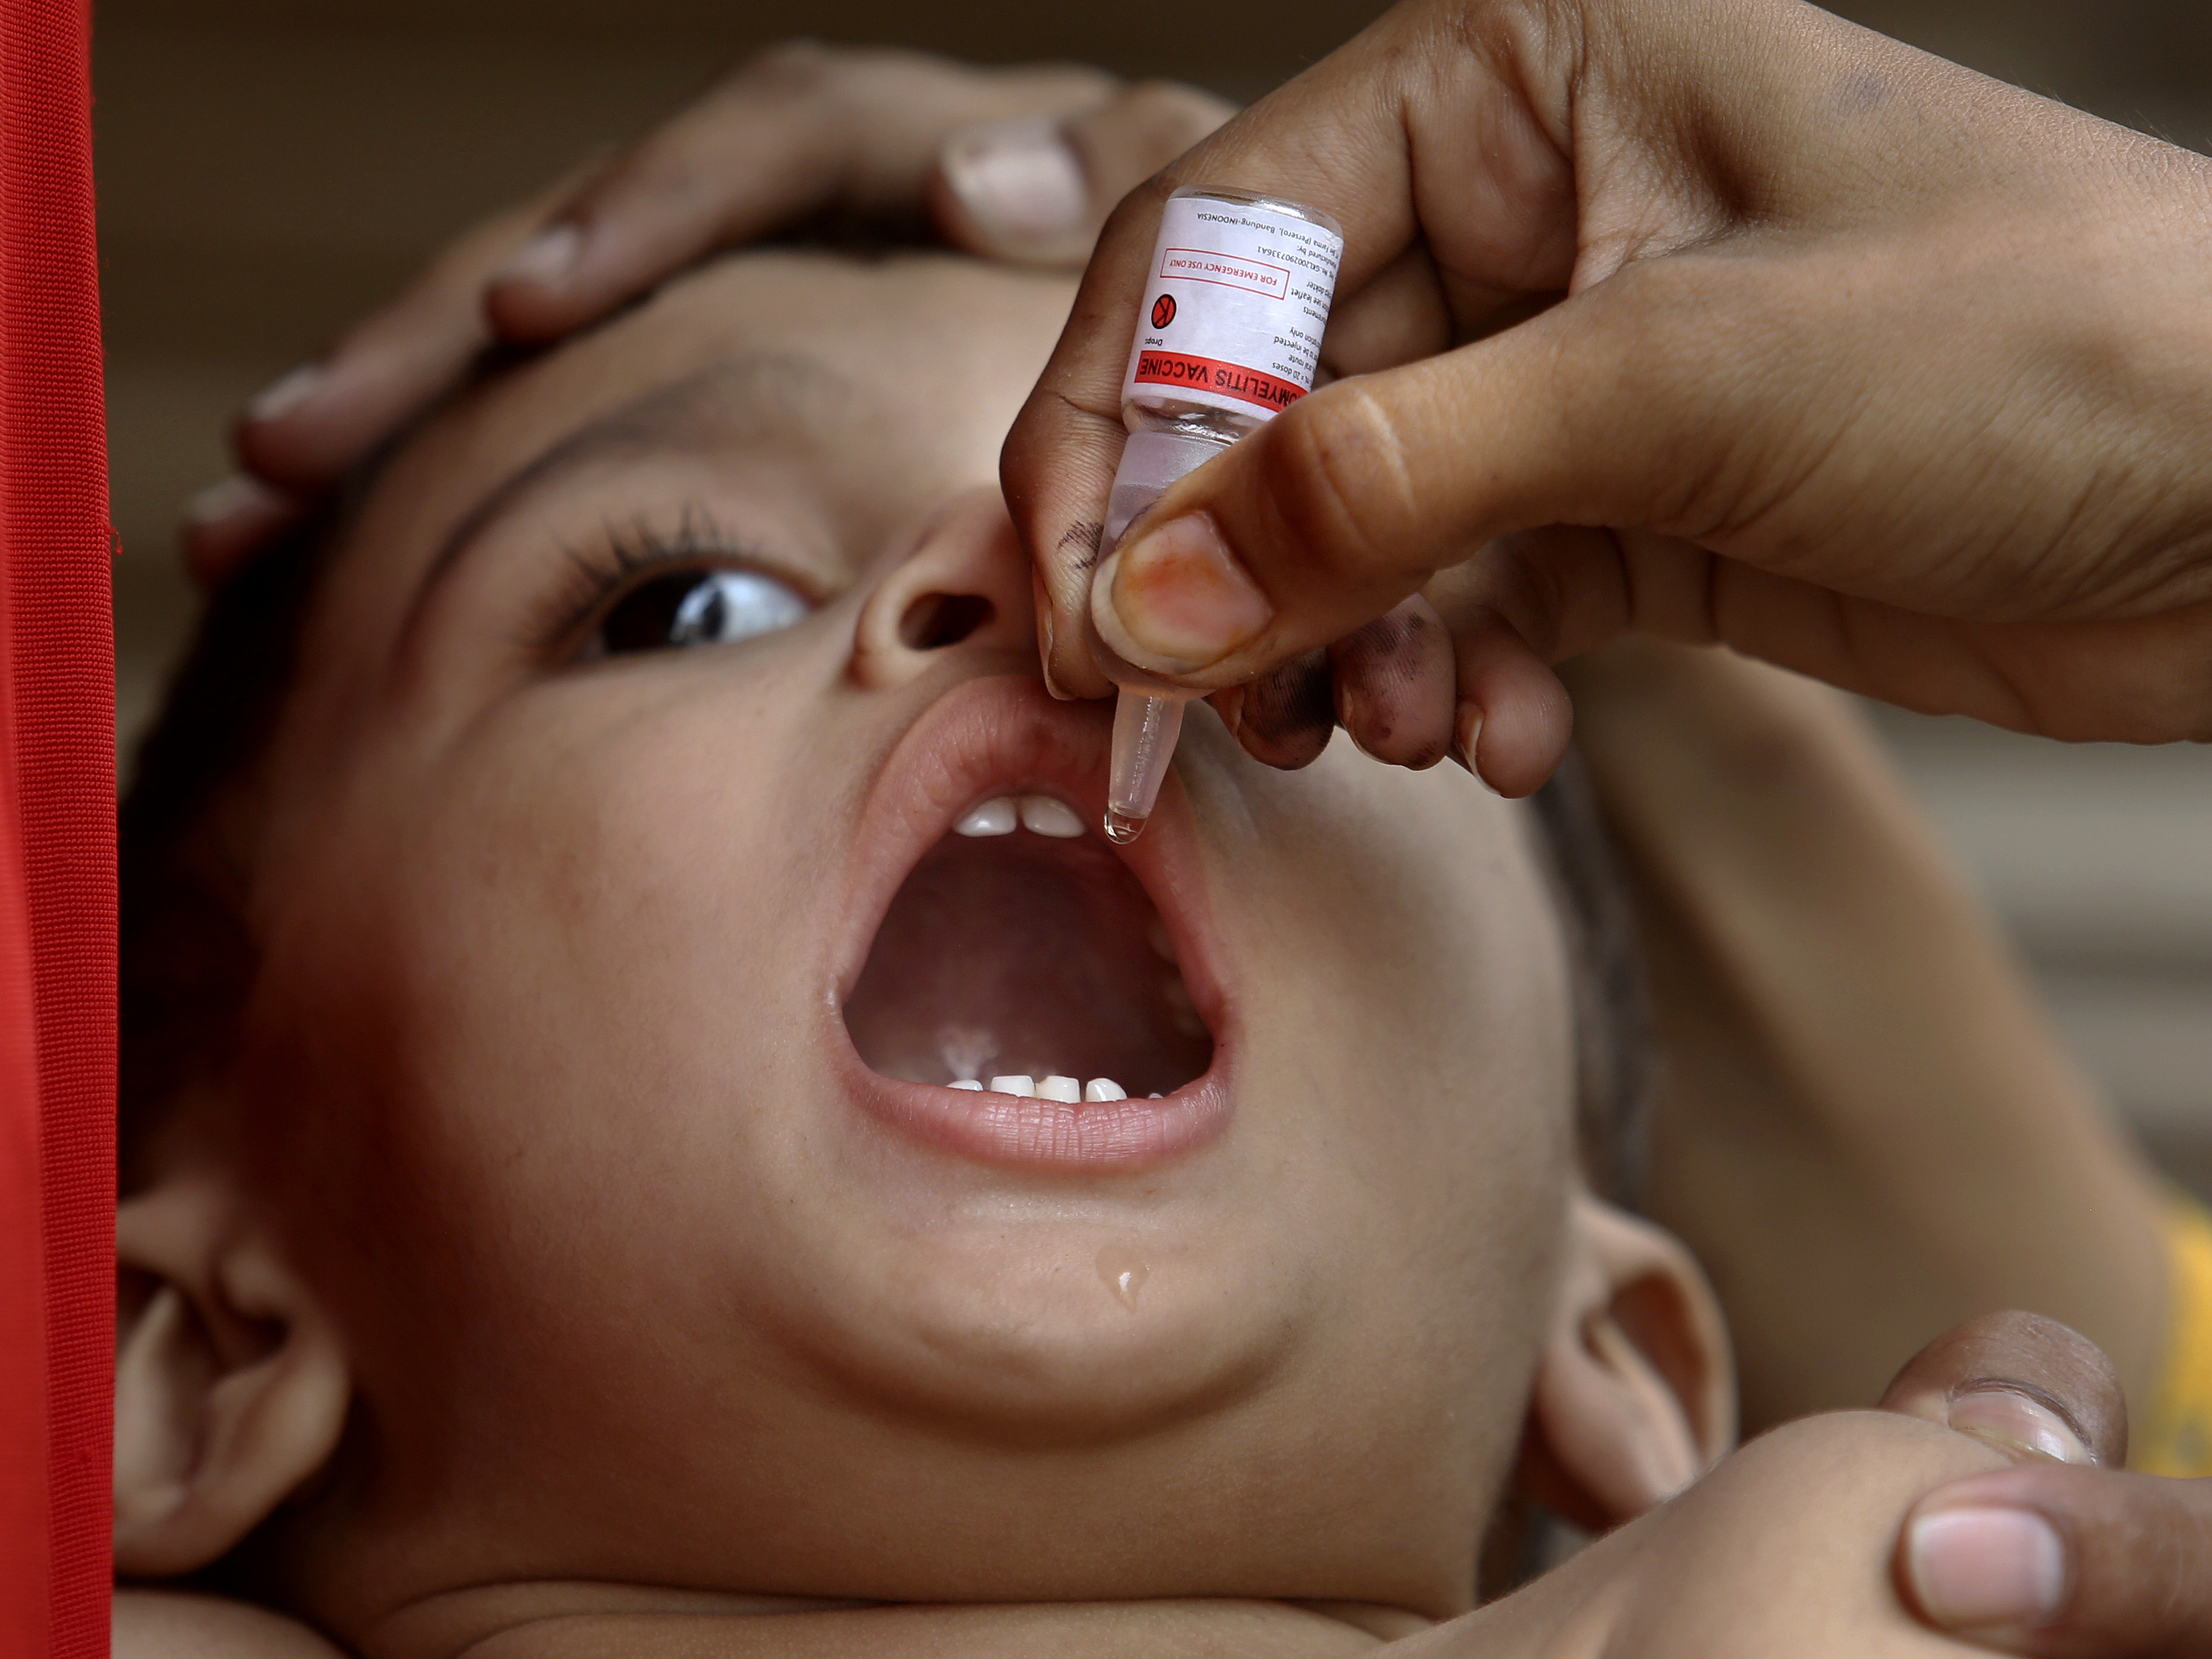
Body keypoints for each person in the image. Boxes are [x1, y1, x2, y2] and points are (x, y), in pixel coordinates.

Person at [175, 24, 2212, 1654]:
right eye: (685, 601)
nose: (1040, 565)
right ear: (183, 1350)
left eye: (1323, 646)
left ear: (1620, 1368)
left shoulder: (1797, 1598)